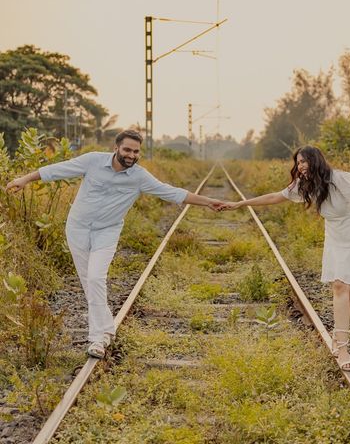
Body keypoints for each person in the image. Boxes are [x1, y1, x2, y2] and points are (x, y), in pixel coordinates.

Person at [6, 130, 225, 359]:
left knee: (95, 278)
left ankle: (97, 339)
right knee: (88, 283)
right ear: (116, 148)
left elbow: (172, 192)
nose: (131, 155)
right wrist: (25, 179)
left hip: (106, 232)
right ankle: (106, 329)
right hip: (78, 229)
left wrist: (208, 202)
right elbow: (58, 170)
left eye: (136, 151)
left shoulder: (139, 177)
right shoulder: (92, 161)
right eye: (127, 150)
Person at [222, 145, 350, 371]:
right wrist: (241, 204)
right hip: (336, 237)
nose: (300, 166)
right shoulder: (304, 185)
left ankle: (338, 336)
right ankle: (342, 348)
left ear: (316, 161)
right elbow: (277, 196)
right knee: (340, 286)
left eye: (304, 161)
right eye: (298, 162)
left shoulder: (340, 179)